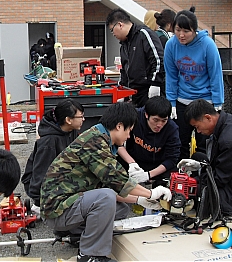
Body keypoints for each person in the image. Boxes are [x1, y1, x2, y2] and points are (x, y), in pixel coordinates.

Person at [40, 102, 172, 262]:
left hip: (68, 205)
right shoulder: (95, 143)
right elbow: (119, 182)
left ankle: (77, 235)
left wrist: (140, 200)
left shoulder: (100, 138)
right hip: (57, 210)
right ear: (119, 126)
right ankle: (90, 255)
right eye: (129, 130)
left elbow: (111, 188)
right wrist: (152, 193)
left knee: (120, 209)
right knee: (106, 198)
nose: (129, 136)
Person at [164, 9, 224, 160]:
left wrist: (217, 102)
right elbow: (171, 76)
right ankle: (180, 177)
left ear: (195, 30)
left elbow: (215, 74)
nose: (181, 35)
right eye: (178, 30)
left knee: (204, 143)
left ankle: (203, 177)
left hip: (204, 101)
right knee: (180, 142)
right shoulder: (171, 45)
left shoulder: (207, 45)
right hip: (182, 100)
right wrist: (171, 102)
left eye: (186, 31)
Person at [21, 99, 85, 216]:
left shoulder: (71, 131)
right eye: (80, 117)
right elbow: (40, 172)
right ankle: (40, 207)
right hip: (42, 185)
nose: (83, 120)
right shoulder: (49, 141)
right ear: (68, 120)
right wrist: (39, 200)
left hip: (59, 176)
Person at [117, 96, 181, 188]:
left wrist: (148, 175)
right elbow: (117, 142)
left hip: (158, 165)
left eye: (164, 121)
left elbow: (172, 159)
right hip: (133, 161)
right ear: (146, 115)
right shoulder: (134, 117)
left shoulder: (172, 129)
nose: (159, 125)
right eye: (155, 120)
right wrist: (132, 163)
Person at [106, 8, 165, 107]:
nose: (113, 34)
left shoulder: (144, 34)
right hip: (133, 94)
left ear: (120, 25)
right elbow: (124, 71)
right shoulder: (124, 45)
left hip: (149, 91)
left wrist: (155, 84)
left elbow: (158, 59)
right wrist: (122, 90)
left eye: (112, 30)